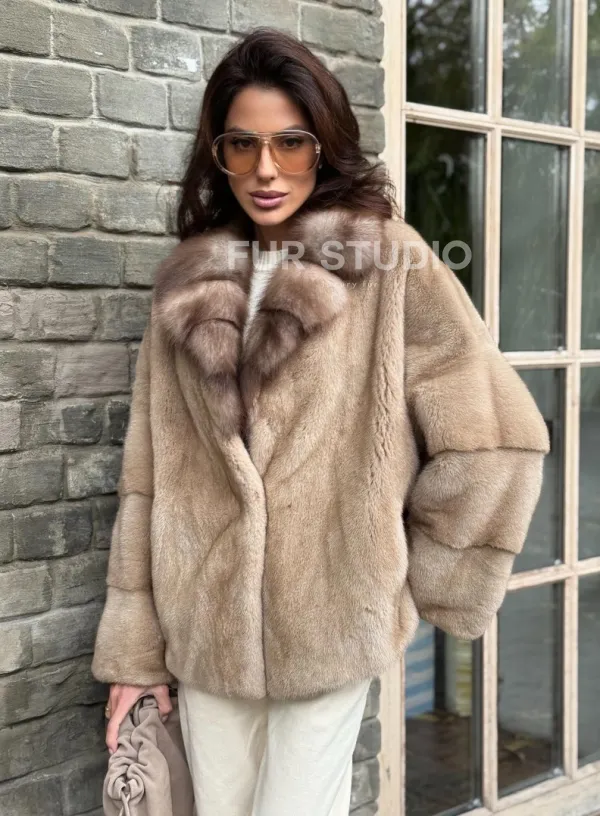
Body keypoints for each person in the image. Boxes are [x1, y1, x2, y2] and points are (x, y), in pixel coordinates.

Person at [91, 27, 550, 816]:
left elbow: (496, 438)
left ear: (324, 145)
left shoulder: (390, 263)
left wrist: (403, 572)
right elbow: (148, 478)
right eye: (243, 145)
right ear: (218, 154)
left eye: (291, 142)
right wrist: (137, 653)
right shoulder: (189, 283)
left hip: (329, 630)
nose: (266, 169)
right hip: (203, 632)